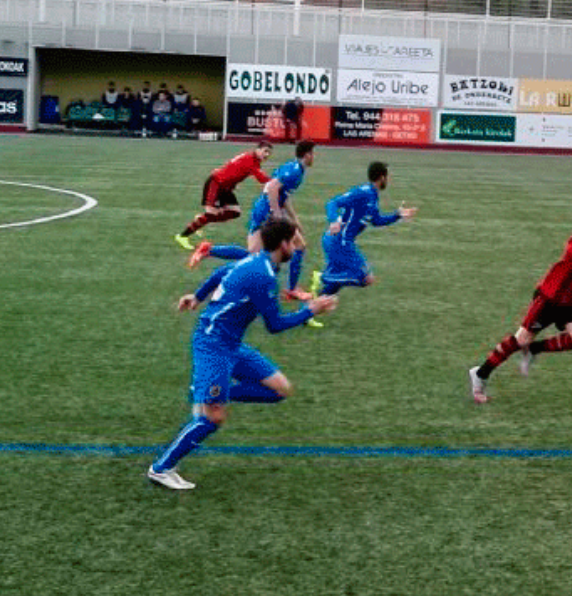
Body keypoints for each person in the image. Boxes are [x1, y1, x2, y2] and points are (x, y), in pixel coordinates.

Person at [147, 218, 338, 491]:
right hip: (212, 345)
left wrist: (197, 296)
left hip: (231, 344)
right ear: (283, 244)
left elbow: (222, 272)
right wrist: (311, 310)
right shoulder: (263, 276)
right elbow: (274, 325)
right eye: (294, 242)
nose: (297, 248)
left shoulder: (258, 262)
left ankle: (213, 394)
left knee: (280, 389)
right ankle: (161, 468)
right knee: (214, 418)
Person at [468, 200, 572, 404]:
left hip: (568, 302)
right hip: (549, 298)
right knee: (521, 339)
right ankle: (480, 374)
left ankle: (534, 350)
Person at [189, 140, 316, 304]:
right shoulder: (294, 170)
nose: (314, 157)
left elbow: (282, 194)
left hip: (273, 211)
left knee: (299, 245)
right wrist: (278, 215)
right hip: (265, 211)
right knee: (253, 256)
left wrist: (294, 218)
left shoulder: (297, 169)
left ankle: (292, 289)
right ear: (307, 155)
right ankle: (209, 250)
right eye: (313, 153)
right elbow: (271, 188)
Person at [310, 161, 417, 303]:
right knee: (364, 278)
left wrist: (397, 215)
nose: (389, 179)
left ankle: (310, 310)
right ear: (382, 177)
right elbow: (333, 203)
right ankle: (322, 277)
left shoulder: (373, 195)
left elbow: (376, 220)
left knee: (336, 284)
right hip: (339, 240)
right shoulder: (362, 192)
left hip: (343, 241)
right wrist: (334, 220)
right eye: (388, 176)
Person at [175, 140, 274, 250]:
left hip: (226, 187)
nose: (267, 155)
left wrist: (233, 181)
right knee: (212, 214)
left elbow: (233, 168)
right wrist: (277, 182)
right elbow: (262, 179)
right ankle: (182, 236)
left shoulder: (252, 158)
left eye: (269, 153)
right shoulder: (250, 160)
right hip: (216, 184)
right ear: (258, 149)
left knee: (234, 212)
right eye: (265, 151)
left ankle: (202, 220)